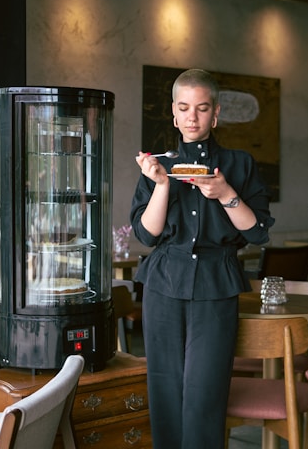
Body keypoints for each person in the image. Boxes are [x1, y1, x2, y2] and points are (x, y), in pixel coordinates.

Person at [130, 68, 275, 449]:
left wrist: (225, 191)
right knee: (164, 388)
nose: (192, 117)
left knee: (206, 393)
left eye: (202, 108)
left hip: (217, 281)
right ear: (174, 114)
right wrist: (161, 184)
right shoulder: (157, 165)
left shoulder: (240, 164)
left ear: (216, 113)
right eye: (184, 108)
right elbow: (146, 235)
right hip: (164, 283)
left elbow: (258, 232)